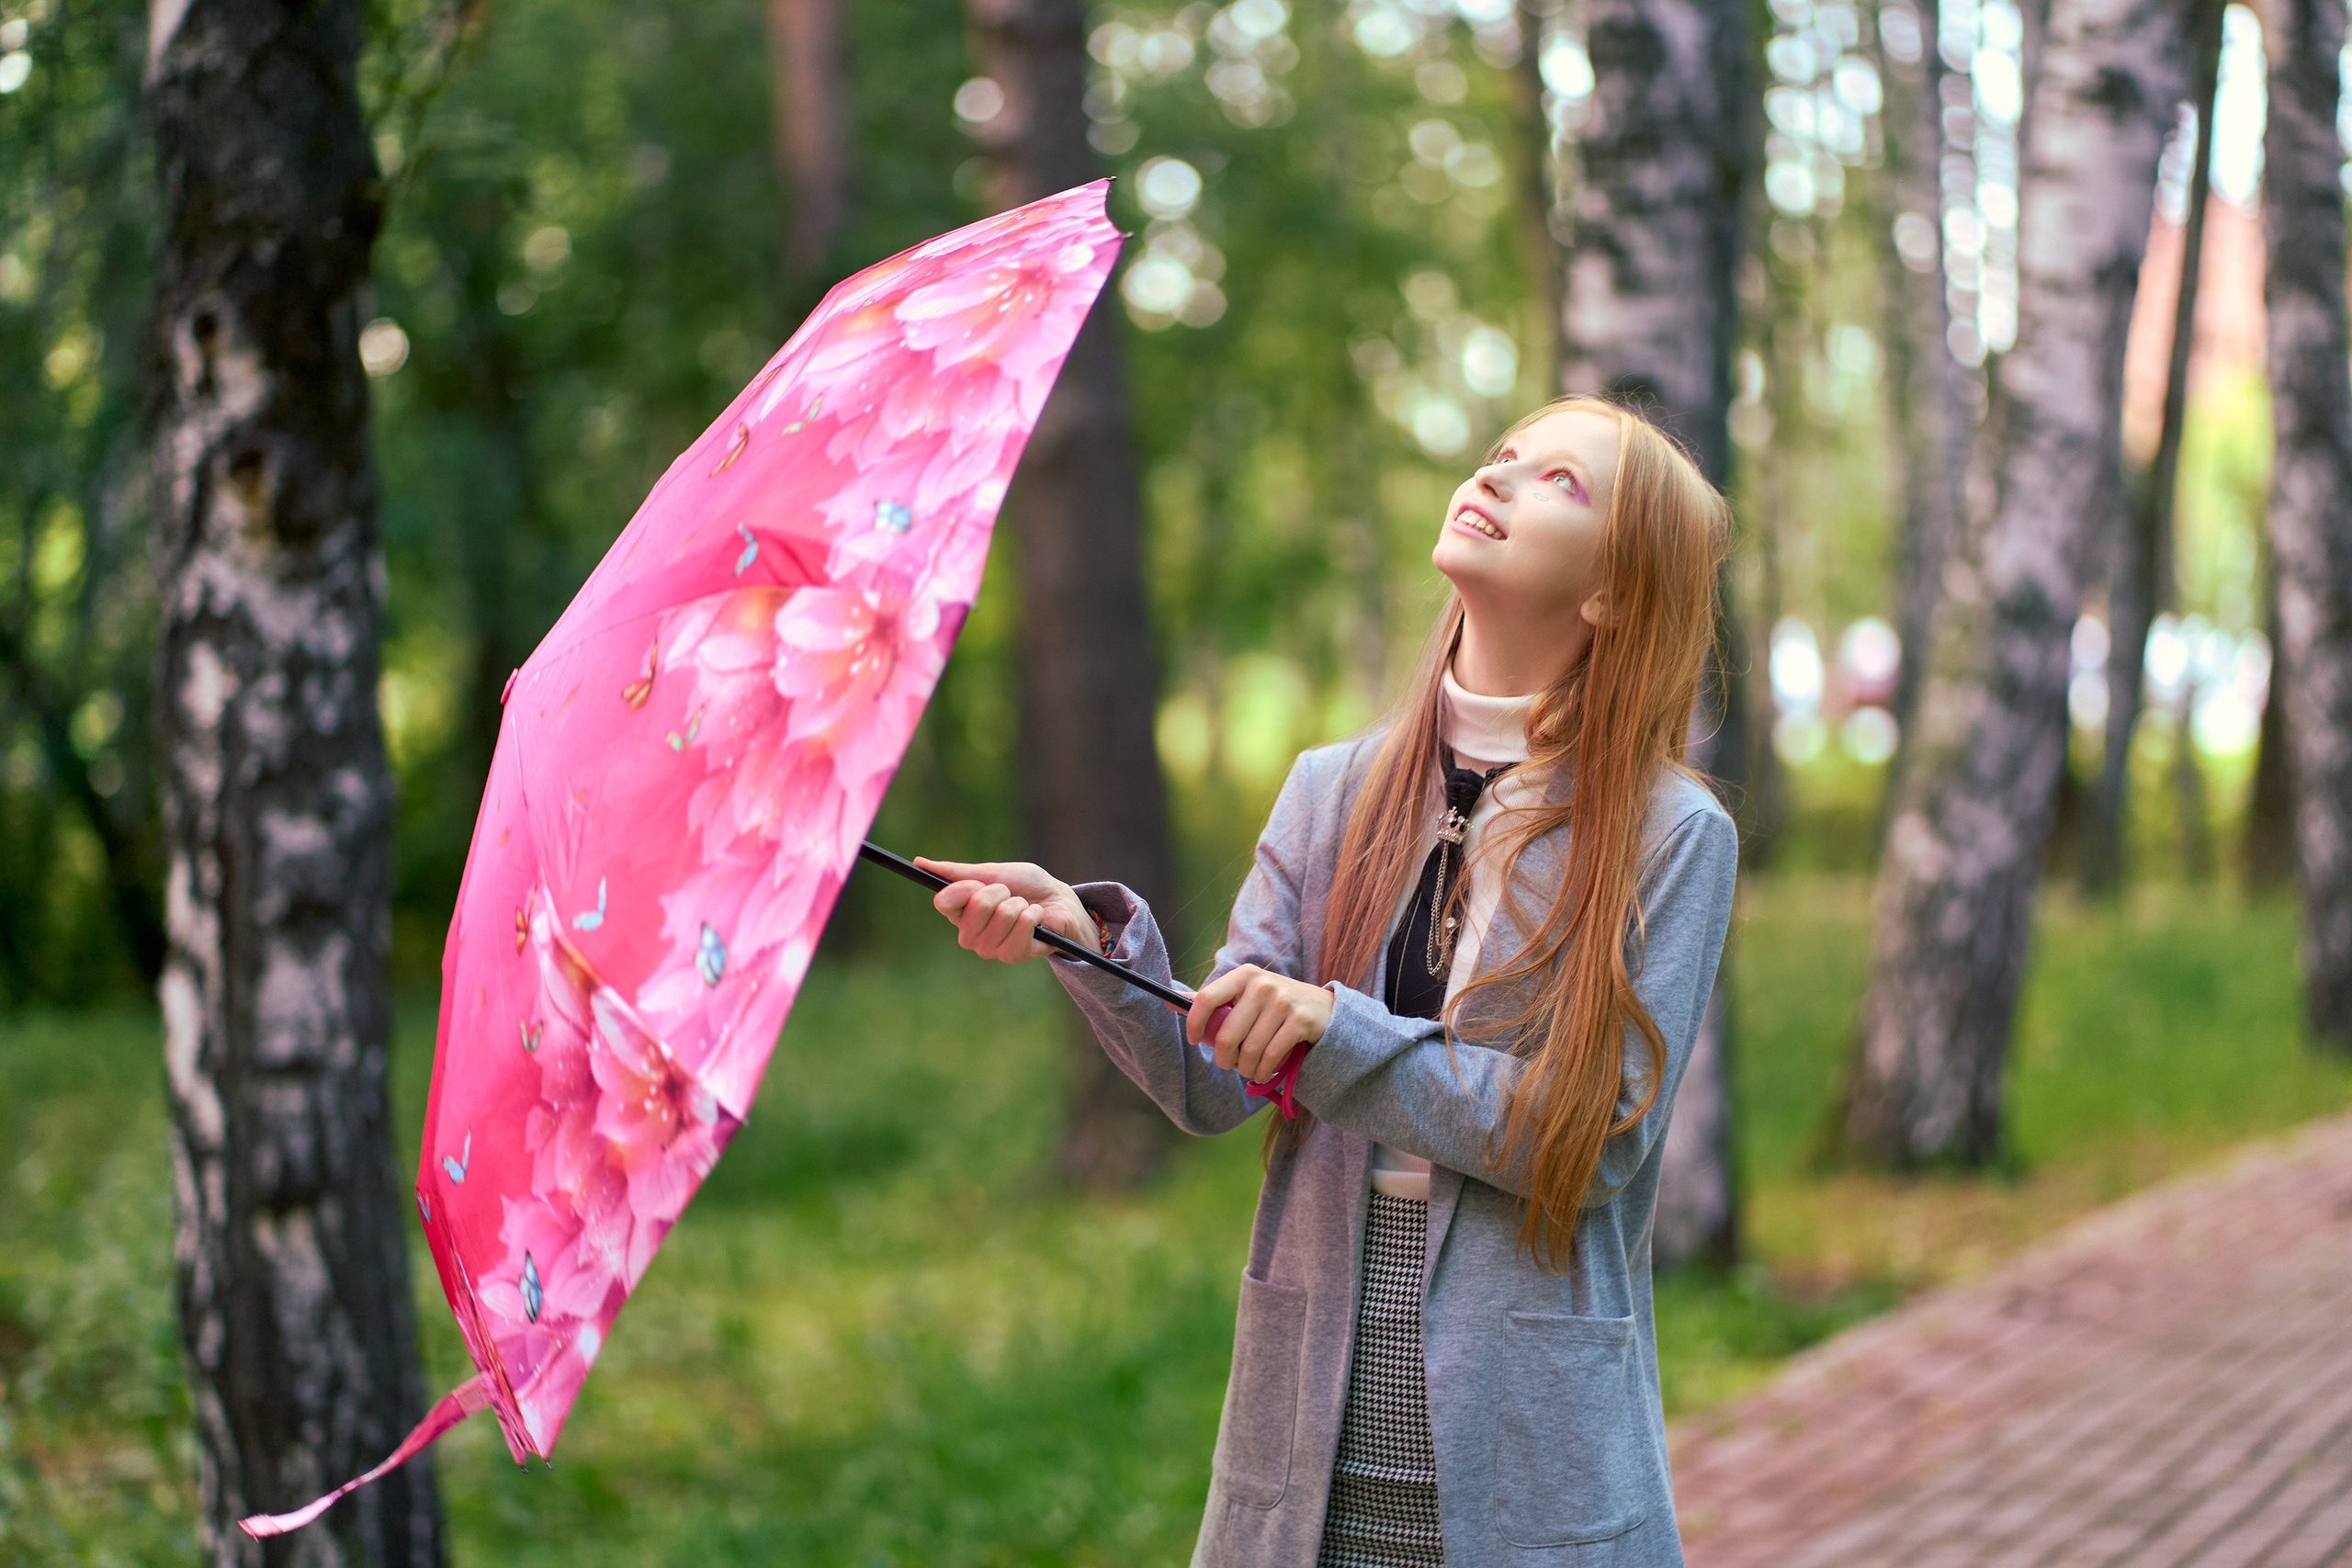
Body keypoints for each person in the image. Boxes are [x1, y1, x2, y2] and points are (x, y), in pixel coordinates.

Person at [918, 394, 1737, 1568]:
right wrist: (1086, 943)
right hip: (1308, 1443)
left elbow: (1588, 1136)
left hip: (1532, 1456)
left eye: (1560, 481)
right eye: (1503, 455)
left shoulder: (1670, 834)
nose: (1498, 477)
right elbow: (1215, 1079)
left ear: (1613, 591)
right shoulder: (1331, 791)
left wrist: (1334, 1035)